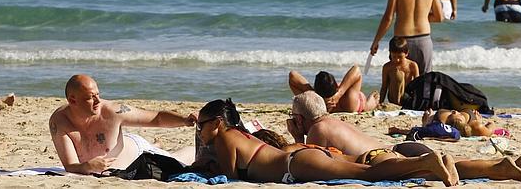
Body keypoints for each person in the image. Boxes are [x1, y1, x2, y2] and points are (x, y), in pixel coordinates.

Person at [196, 98, 457, 185]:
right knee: (368, 172)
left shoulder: (224, 139)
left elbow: (231, 179)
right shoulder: (241, 135)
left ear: (218, 123)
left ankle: (426, 161)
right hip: (300, 159)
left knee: (369, 174)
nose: (199, 130)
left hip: (295, 166)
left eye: (202, 124)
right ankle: (432, 165)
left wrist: (207, 167)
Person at [254, 128, 521, 183]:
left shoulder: (291, 151)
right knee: (458, 168)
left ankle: (505, 168)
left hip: (379, 160)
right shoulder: (316, 137)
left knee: (433, 170)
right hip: (385, 151)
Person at [49, 74, 197, 174]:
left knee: (176, 158)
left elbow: (156, 118)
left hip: (137, 151)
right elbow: (70, 166)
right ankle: (155, 144)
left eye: (98, 95)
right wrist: (87, 166)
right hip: (122, 144)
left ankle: (158, 147)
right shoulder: (60, 122)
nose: (98, 101)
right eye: (90, 98)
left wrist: (183, 120)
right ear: (73, 100)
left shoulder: (112, 112)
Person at [371, 0, 443, 74]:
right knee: (424, 83)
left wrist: (376, 41)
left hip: (402, 43)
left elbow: (388, 18)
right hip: (424, 41)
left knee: (400, 82)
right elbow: (439, 17)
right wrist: (423, 17)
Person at [288, 65, 379, 113]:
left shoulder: (315, 103)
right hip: (348, 96)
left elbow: (292, 75)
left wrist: (339, 94)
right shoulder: (348, 102)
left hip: (356, 99)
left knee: (366, 107)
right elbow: (356, 69)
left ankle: (373, 99)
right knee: (364, 106)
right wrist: (312, 93)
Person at [389, 108, 496, 137]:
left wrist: (426, 124)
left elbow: (420, 131)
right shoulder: (476, 126)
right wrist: (481, 122)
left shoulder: (444, 127)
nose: (453, 110)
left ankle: (428, 121)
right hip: (473, 118)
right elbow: (492, 126)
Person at [379, 37, 419, 105]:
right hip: (393, 97)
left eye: (400, 57)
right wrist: (380, 102)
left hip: (407, 96)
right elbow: (384, 87)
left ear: (406, 53)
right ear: (390, 53)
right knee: (398, 75)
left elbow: (418, 86)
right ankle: (398, 103)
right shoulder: (387, 67)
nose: (397, 60)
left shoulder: (412, 65)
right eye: (394, 56)